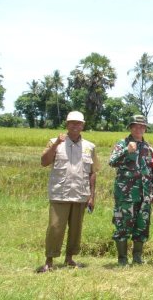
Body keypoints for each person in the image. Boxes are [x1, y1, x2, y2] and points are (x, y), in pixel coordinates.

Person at [37, 111, 99, 273]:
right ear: (66, 124)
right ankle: (49, 260)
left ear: (83, 126)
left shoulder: (89, 147)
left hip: (80, 194)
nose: (75, 126)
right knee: (55, 227)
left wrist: (92, 196)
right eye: (72, 123)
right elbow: (44, 162)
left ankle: (70, 258)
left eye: (78, 123)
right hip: (60, 193)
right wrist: (57, 143)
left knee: (76, 229)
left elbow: (93, 172)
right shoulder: (54, 142)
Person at [109, 115, 153, 266]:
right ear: (130, 127)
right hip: (126, 195)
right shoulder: (122, 143)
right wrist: (126, 151)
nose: (139, 129)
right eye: (136, 126)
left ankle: (137, 257)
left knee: (142, 226)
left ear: (145, 128)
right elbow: (112, 162)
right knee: (122, 226)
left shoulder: (148, 147)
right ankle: (122, 259)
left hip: (144, 195)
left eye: (142, 126)